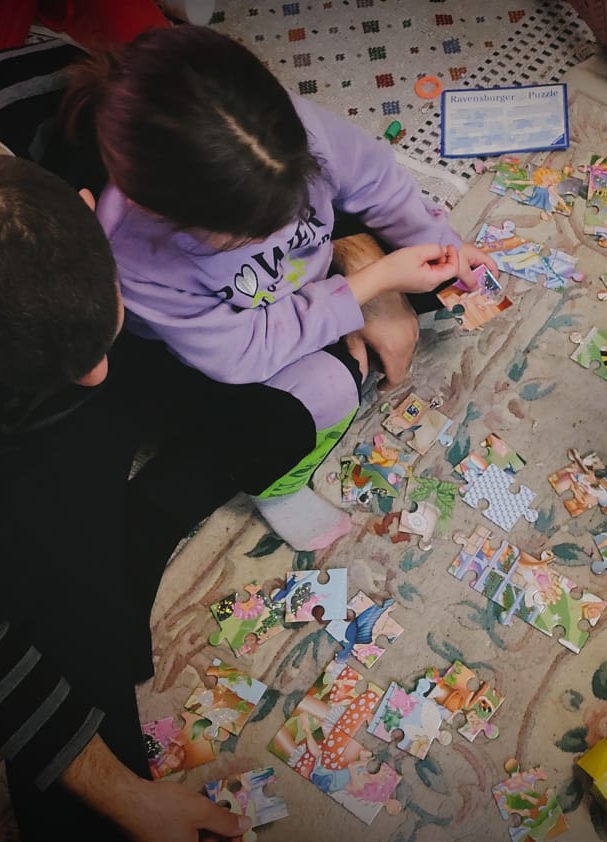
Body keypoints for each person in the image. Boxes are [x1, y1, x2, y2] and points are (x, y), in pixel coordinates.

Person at [0, 38, 429, 841]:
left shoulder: (85, 105)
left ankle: (151, 504)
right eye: (67, 368)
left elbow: (289, 168)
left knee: (358, 349)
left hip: (141, 323)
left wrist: (362, 262)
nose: (98, 378)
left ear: (94, 204)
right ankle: (129, 521)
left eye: (103, 328)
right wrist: (128, 799)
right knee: (72, 632)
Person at [65, 27, 490, 552]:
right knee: (329, 391)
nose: (281, 231)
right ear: (155, 211)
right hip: (221, 351)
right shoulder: (135, 255)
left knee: (433, 283)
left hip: (307, 294)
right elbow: (245, 354)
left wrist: (442, 244)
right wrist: (370, 285)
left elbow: (376, 182)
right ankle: (275, 487)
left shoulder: (281, 130)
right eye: (247, 234)